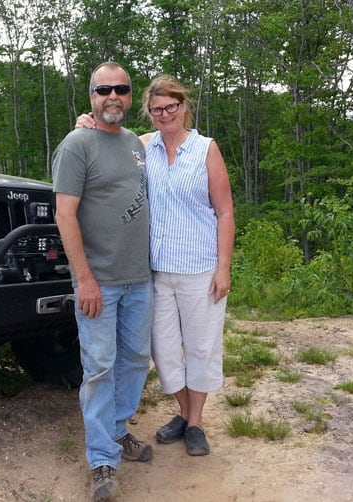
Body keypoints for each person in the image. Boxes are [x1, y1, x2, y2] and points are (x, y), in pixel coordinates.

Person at [77, 75, 235, 457]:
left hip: (200, 268)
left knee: (200, 349)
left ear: (184, 107)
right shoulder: (142, 148)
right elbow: (111, 138)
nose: (165, 114)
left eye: (172, 107)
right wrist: (88, 124)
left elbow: (226, 210)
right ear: (149, 113)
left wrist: (223, 266)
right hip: (156, 272)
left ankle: (195, 422)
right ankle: (182, 412)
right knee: (163, 354)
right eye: (157, 109)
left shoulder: (205, 149)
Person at [52, 61, 154, 502]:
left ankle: (116, 431)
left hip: (139, 279)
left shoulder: (136, 144)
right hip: (100, 282)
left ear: (130, 97)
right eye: (103, 89)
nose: (113, 96)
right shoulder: (77, 145)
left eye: (122, 89)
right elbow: (64, 214)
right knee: (99, 369)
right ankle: (101, 460)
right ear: (91, 96)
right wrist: (85, 279)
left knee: (134, 361)